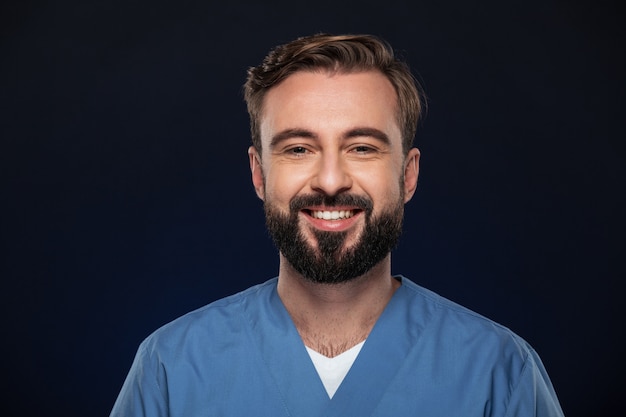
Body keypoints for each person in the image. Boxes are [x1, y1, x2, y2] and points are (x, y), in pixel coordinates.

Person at [111, 33, 564, 416]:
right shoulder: (170, 369)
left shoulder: (500, 375)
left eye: (363, 147)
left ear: (408, 175)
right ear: (258, 174)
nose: (330, 181)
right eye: (298, 149)